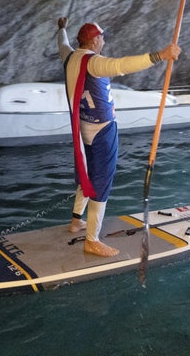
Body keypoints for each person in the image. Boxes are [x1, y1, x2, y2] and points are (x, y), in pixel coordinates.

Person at [55, 17, 181, 257]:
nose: (104, 41)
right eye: (102, 37)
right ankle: (91, 240)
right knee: (101, 182)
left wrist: (61, 28)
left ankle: (75, 221)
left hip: (83, 128)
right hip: (102, 130)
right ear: (93, 41)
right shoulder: (94, 62)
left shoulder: (69, 57)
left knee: (87, 173)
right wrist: (160, 55)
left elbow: (62, 43)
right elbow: (122, 65)